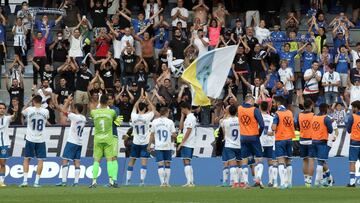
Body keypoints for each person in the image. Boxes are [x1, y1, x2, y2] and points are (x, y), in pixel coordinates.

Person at [19, 95, 50, 187]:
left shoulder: (29, 109)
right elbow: (46, 118)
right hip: (41, 138)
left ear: (33, 101)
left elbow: (22, 111)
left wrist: (28, 102)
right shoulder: (46, 111)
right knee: (40, 160)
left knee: (26, 159)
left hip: (30, 138)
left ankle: (25, 181)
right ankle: (36, 182)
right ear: (41, 101)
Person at [126, 92, 155, 186]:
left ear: (138, 108)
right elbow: (153, 109)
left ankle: (128, 181)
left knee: (132, 160)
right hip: (145, 142)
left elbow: (134, 106)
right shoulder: (147, 117)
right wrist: (147, 100)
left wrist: (139, 99)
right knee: (144, 161)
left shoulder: (133, 116)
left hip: (136, 142)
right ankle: (142, 181)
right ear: (146, 108)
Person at [56, 96, 86, 186]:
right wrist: (72, 103)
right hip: (79, 143)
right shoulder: (83, 118)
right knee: (77, 161)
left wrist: (68, 101)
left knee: (65, 160)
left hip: (72, 141)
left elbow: (63, 111)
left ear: (76, 109)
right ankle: (76, 182)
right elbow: (73, 111)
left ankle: (64, 181)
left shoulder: (74, 117)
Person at [89, 95, 117, 188]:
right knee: (110, 160)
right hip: (108, 139)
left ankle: (94, 181)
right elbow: (115, 119)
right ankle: (111, 181)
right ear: (108, 102)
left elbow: (92, 111)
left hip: (98, 139)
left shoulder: (94, 112)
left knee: (96, 160)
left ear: (99, 102)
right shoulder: (112, 112)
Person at [237, 94, 264, 188]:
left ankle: (246, 183)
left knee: (244, 160)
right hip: (254, 136)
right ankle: (258, 178)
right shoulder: (254, 110)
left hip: (243, 137)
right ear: (251, 101)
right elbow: (262, 124)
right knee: (259, 158)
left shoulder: (239, 108)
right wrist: (258, 134)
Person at [148, 106, 176, 187]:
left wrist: (149, 145)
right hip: (167, 145)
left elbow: (152, 135)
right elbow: (174, 135)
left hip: (158, 146)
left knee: (160, 164)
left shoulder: (154, 122)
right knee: (167, 163)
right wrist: (173, 137)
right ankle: (167, 182)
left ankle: (162, 183)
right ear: (167, 112)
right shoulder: (170, 122)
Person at [271, 96, 295, 189]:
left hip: (280, 139)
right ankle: (289, 183)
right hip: (289, 139)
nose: (273, 104)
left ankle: (283, 183)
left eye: (274, 102)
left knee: (280, 161)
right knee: (288, 161)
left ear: (277, 103)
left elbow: (273, 127)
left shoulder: (277, 114)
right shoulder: (290, 112)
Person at [311, 103, 333, 187]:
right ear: (325, 109)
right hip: (322, 142)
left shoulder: (314, 117)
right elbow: (330, 131)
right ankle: (317, 181)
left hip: (313, 141)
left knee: (319, 161)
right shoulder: (326, 118)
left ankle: (327, 179)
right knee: (320, 162)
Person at [295, 99, 315, 188]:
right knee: (311, 160)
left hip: (302, 139)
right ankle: (309, 181)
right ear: (311, 106)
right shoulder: (313, 115)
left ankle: (305, 180)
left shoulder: (299, 115)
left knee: (304, 160)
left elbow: (297, 126)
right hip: (311, 139)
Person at [220, 105, 240, 188]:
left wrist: (225, 114)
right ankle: (240, 182)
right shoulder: (240, 120)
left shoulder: (225, 121)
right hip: (239, 144)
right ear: (237, 112)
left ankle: (234, 183)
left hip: (229, 145)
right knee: (239, 164)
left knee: (232, 164)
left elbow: (222, 128)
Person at [177, 102, 197, 187]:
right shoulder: (187, 117)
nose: (181, 110)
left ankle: (189, 182)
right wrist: (182, 116)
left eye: (181, 109)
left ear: (185, 108)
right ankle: (191, 181)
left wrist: (182, 143)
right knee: (186, 161)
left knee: (186, 161)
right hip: (188, 143)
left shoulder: (191, 118)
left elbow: (188, 131)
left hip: (188, 142)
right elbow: (181, 128)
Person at [259, 101, 277, 188]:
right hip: (270, 142)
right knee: (271, 162)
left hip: (260, 142)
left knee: (259, 161)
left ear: (260, 107)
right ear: (268, 108)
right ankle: (271, 181)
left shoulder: (258, 118)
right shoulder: (271, 118)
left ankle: (260, 180)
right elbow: (272, 132)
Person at [0, 103, 16, 187]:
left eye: (3, 108)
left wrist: (16, 112)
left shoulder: (7, 118)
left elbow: (14, 117)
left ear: (5, 110)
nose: (1, 110)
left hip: (4, 144)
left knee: (2, 163)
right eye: (0, 108)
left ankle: (1, 181)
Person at [346, 100, 360, 187]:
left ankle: (352, 182)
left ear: (356, 108)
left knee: (352, 162)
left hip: (355, 142)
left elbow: (348, 130)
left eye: (352, 108)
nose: (352, 109)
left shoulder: (352, 117)